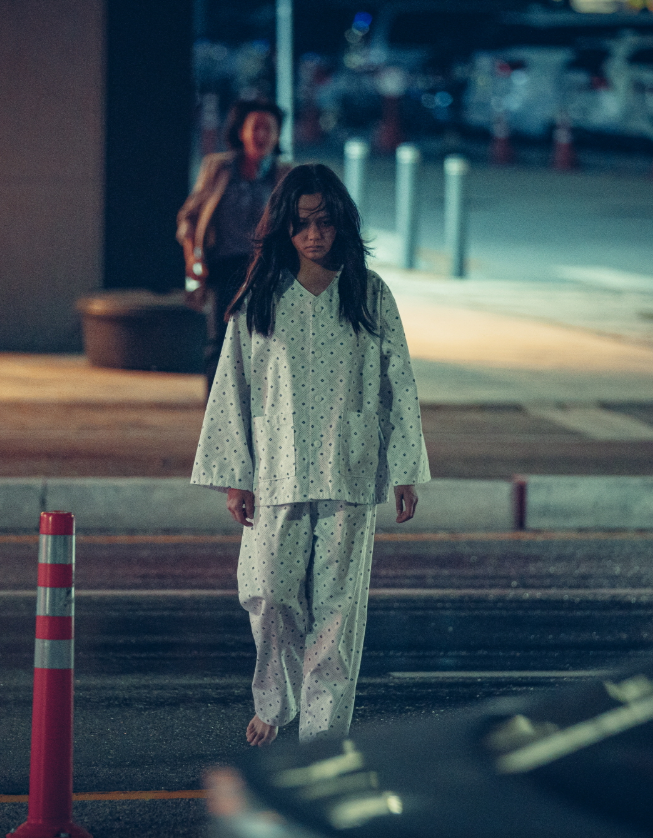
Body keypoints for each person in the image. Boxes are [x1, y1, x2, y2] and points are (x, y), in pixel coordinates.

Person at [190, 163, 431, 747]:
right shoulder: (261, 298)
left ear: (341, 222)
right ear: (284, 228)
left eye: (324, 222)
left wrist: (405, 469)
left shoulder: (369, 293)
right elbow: (233, 386)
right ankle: (276, 700)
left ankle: (320, 743)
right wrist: (235, 476)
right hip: (277, 471)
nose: (314, 235)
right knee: (270, 593)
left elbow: (398, 381)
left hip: (349, 470)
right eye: (301, 224)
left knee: (337, 616)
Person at [176, 98, 292, 395]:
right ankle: (215, 414)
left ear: (278, 135)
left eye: (269, 128)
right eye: (255, 127)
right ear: (241, 132)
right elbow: (189, 217)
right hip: (223, 268)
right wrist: (193, 258)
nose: (261, 135)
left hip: (267, 272)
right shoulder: (218, 168)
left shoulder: (286, 174)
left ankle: (257, 413)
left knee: (265, 344)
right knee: (220, 343)